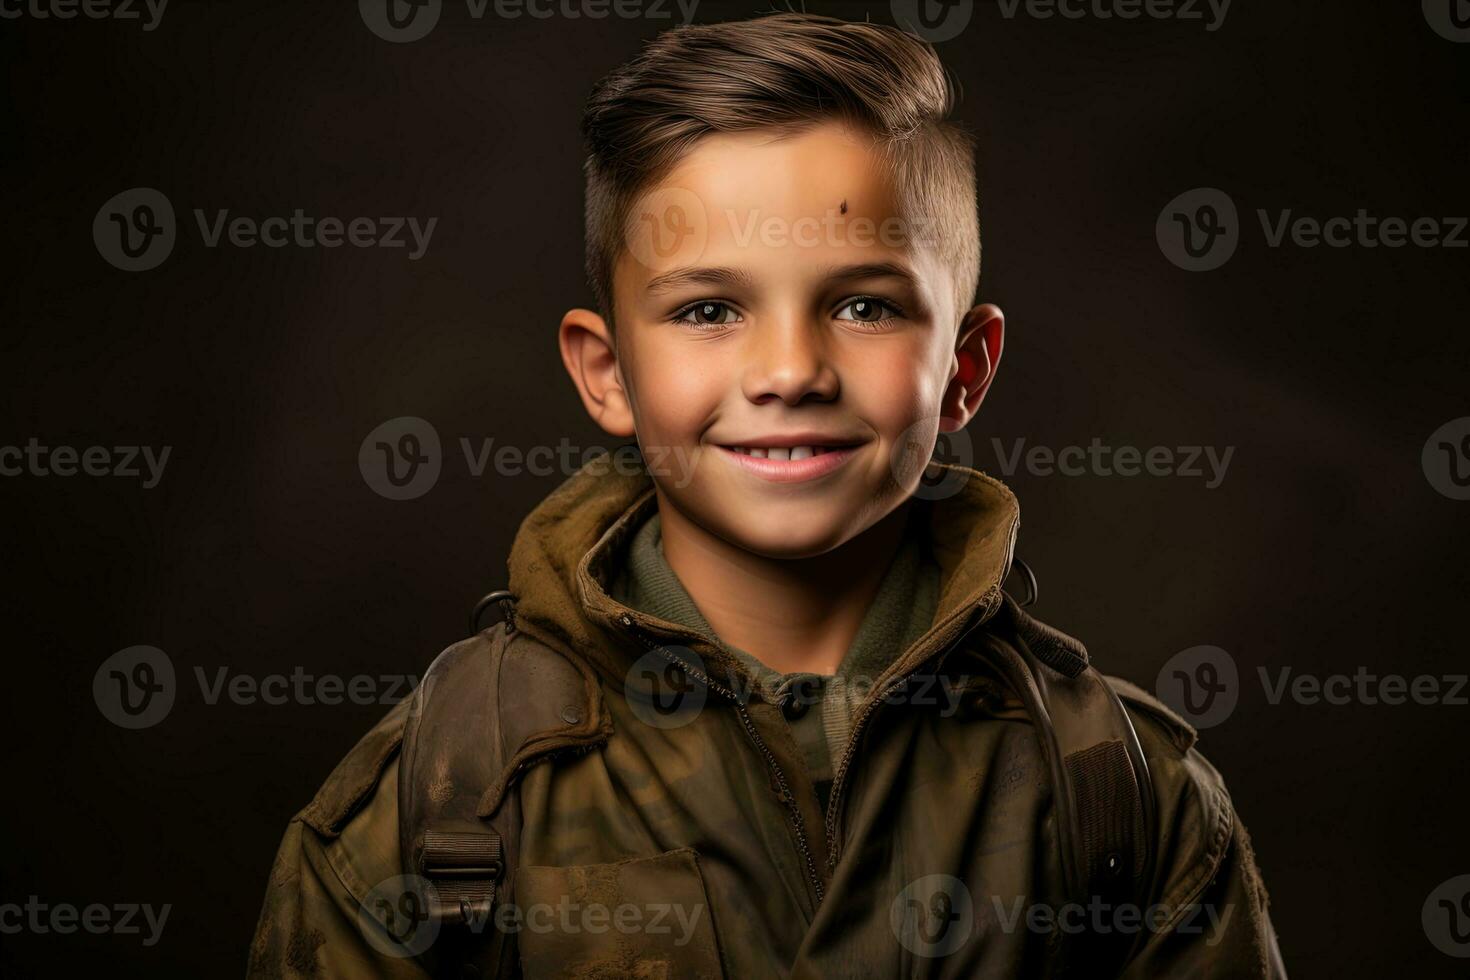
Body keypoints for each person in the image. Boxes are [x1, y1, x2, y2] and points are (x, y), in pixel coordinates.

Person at [248, 12, 1286, 977]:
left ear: (965, 367)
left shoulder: (1119, 793)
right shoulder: (441, 800)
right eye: (708, 309)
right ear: (607, 372)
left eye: (867, 306)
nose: (790, 369)